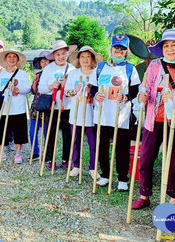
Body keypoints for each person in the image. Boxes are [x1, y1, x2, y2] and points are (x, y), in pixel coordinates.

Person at [132, 29, 175, 209]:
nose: (170, 49)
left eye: (174, 45)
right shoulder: (154, 66)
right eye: (166, 46)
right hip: (154, 120)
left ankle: (172, 200)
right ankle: (144, 195)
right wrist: (142, 96)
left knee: (174, 162)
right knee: (146, 158)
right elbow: (145, 88)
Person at [89, 36, 141, 189]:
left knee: (122, 147)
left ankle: (123, 179)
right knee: (102, 146)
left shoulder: (130, 68)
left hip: (121, 115)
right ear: (110, 49)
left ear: (126, 52)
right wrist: (95, 94)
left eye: (122, 48)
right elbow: (93, 87)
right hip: (102, 113)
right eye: (116, 47)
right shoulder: (100, 67)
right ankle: (105, 175)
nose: (119, 51)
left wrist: (126, 97)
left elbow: (135, 89)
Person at [65, 46, 102, 179]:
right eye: (82, 57)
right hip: (76, 112)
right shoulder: (74, 74)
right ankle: (76, 166)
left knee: (93, 142)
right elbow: (67, 93)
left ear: (92, 59)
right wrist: (74, 90)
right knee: (75, 141)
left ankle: (93, 167)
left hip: (92, 113)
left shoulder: (97, 73)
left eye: (88, 56)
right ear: (78, 59)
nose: (85, 59)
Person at [38, 40, 76, 169]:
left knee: (68, 134)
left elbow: (75, 91)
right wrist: (51, 86)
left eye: (63, 54)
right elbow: (41, 89)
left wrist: (67, 87)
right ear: (54, 56)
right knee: (51, 133)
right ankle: (50, 159)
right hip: (52, 107)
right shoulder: (49, 68)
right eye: (58, 54)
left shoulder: (72, 69)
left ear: (68, 54)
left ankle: (66, 159)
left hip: (68, 107)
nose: (61, 57)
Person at [0, 49, 31, 163]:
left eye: (14, 57)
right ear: (5, 60)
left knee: (19, 131)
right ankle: (1, 152)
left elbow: (28, 88)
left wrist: (18, 89)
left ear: (18, 60)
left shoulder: (22, 74)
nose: (12, 58)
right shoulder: (1, 72)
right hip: (3, 107)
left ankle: (18, 154)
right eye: (9, 57)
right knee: (1, 130)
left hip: (18, 107)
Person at [29, 50, 52, 161]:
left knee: (46, 131)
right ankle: (35, 152)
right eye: (42, 61)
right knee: (33, 130)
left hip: (48, 105)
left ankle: (47, 154)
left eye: (46, 61)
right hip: (37, 104)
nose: (44, 63)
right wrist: (34, 83)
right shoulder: (38, 74)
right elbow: (33, 91)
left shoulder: (53, 74)